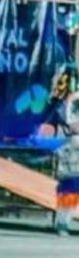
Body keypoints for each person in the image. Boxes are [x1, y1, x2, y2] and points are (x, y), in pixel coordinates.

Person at [54, 100, 79, 236]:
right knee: (68, 198)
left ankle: (62, 223)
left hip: (70, 171)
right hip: (70, 171)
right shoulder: (72, 138)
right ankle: (62, 224)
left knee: (69, 199)